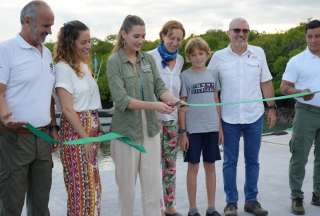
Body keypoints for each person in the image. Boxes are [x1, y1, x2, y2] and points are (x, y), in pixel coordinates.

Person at [106, 15, 180, 216]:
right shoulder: (114, 62)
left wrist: (171, 99)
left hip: (151, 133)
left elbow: (159, 86)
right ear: (124, 35)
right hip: (125, 136)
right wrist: (156, 106)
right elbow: (122, 100)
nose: (140, 40)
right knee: (127, 192)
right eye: (136, 36)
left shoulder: (148, 59)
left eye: (143, 36)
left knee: (152, 191)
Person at [208, 17, 277, 216]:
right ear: (228, 33)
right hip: (228, 118)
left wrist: (271, 108)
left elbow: (266, 82)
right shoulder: (218, 58)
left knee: (253, 160)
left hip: (254, 115)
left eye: (245, 30)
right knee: (230, 161)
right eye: (236, 30)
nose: (241, 34)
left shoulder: (259, 53)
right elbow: (212, 91)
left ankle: (251, 200)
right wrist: (215, 120)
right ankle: (231, 202)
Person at [0, 1, 55, 215]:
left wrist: (53, 126)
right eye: (45, 26)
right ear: (27, 21)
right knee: (11, 203)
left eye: (51, 26)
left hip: (42, 138)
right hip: (14, 139)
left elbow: (47, 93)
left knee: (41, 205)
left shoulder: (47, 53)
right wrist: (5, 117)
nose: (49, 31)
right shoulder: (6, 50)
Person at [54, 20, 102, 216]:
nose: (88, 46)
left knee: (94, 192)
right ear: (70, 42)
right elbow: (66, 108)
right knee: (81, 193)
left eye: (89, 41)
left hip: (90, 133)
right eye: (83, 42)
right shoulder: (62, 68)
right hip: (77, 135)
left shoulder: (82, 66)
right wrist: (86, 138)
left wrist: (93, 137)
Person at [280, 19, 320, 215]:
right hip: (306, 112)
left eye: (317, 36)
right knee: (299, 156)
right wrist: (300, 91)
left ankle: (318, 194)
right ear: (305, 37)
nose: (313, 40)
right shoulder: (297, 61)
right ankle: (297, 197)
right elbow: (284, 87)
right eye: (310, 36)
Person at [179, 37, 222, 216]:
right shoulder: (185, 76)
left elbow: (216, 100)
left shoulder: (213, 74)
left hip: (212, 128)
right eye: (193, 54)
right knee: (193, 167)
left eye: (201, 53)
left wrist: (220, 127)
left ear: (207, 53)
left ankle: (211, 208)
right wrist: (183, 132)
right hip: (193, 130)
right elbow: (182, 105)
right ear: (188, 57)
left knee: (210, 167)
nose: (197, 57)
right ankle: (193, 209)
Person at [148, 20, 185, 216]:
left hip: (171, 120)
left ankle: (170, 206)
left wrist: (181, 126)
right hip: (152, 120)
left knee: (170, 166)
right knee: (153, 167)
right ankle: (157, 207)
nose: (175, 42)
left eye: (179, 39)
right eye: (172, 38)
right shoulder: (149, 58)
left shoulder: (179, 61)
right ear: (163, 36)